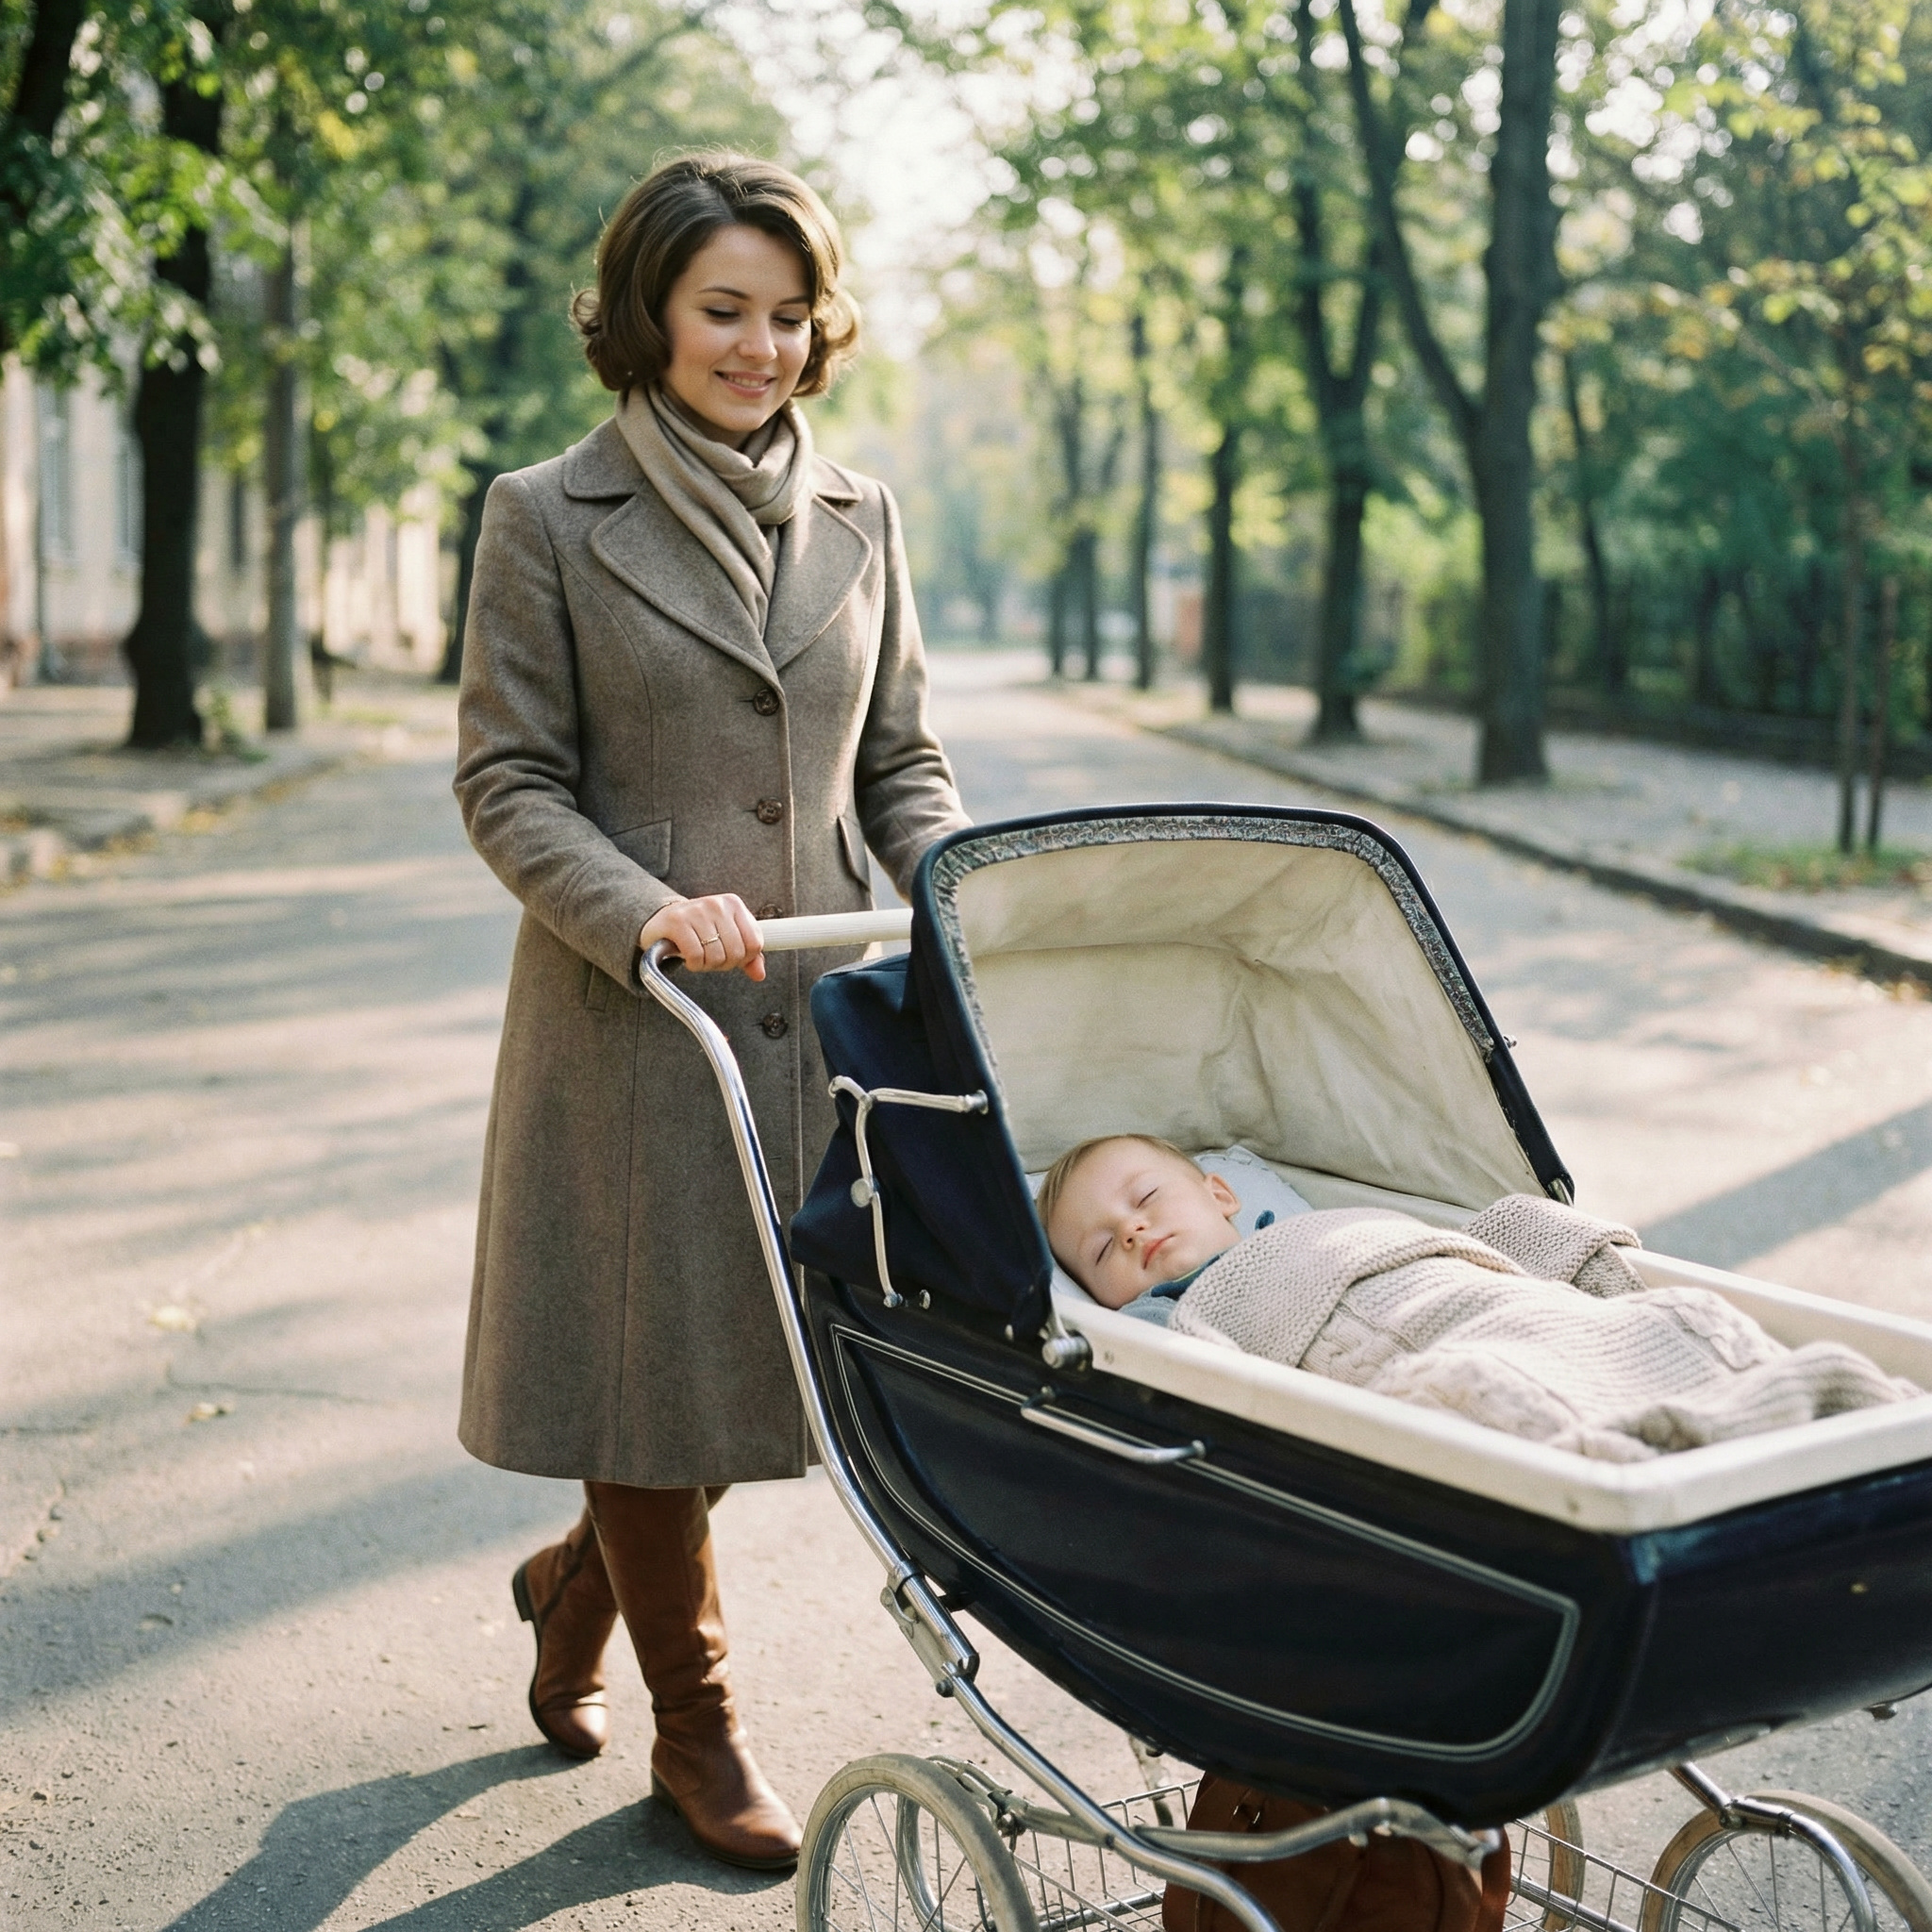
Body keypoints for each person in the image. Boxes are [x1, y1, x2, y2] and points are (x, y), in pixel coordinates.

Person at [453, 152, 969, 1872]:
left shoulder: (865, 515)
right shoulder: (546, 513)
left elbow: (901, 764)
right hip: (633, 1022)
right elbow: (509, 780)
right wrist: (641, 909)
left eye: (788, 313)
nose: (760, 346)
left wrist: (963, 889)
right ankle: (698, 1723)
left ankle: (580, 1578)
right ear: (649, 316)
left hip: (817, 1019)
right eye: (722, 310)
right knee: (649, 1364)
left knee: (753, 1369)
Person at [1039, 1136, 1919, 1462]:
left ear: (1222, 1193)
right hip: (1419, 1354)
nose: (1132, 1230)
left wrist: (1547, 1249)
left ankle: (1841, 1414)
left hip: (1469, 1292)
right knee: (1489, 1392)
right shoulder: (1157, 1321)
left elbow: (1466, 1250)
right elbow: (1207, 1397)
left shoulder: (1324, 1221)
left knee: (1669, 1323)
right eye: (1101, 1250)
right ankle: (1676, 1449)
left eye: (1145, 1199)